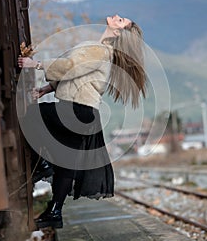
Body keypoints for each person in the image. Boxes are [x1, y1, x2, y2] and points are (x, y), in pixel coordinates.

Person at [18, 14, 146, 229]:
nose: (118, 17)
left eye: (122, 21)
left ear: (118, 32)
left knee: (30, 115)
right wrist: (46, 89)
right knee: (67, 165)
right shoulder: (107, 54)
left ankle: (44, 163)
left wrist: (36, 64)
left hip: (75, 110)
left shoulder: (100, 50)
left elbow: (71, 66)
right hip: (86, 115)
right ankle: (55, 212)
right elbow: (81, 77)